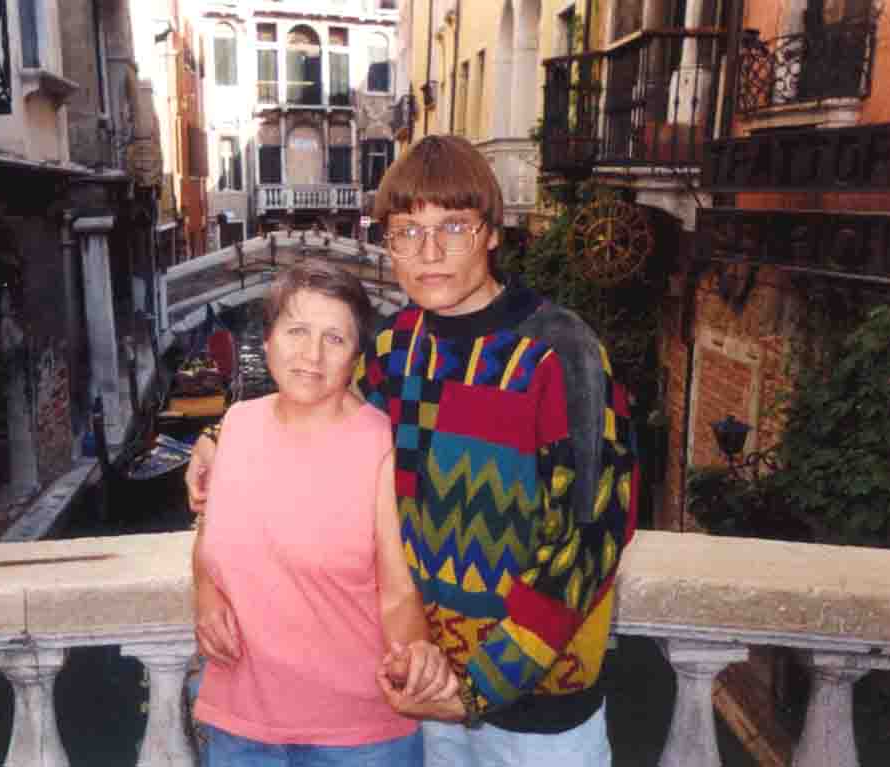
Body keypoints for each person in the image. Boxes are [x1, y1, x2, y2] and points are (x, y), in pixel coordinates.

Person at [188, 134, 637, 766]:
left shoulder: (562, 354)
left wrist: (480, 687)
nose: (428, 252)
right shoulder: (394, 350)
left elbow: (590, 537)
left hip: (537, 715)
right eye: (407, 232)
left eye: (452, 227)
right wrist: (215, 440)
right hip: (423, 694)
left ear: (491, 233)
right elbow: (311, 404)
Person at [191, 261, 456, 766]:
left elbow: (398, 592)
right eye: (297, 331)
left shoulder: (383, 446)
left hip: (358, 734)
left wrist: (413, 654)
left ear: (355, 358)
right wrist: (207, 595)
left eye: (334, 339)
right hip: (239, 723)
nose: (311, 355)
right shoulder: (236, 426)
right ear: (267, 340)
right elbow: (209, 540)